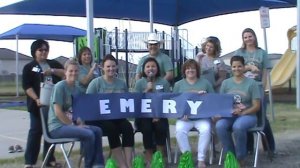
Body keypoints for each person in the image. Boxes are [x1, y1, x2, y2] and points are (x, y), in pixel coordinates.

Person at [48, 58, 104, 168]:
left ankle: (98, 164)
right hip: (57, 127)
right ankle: (88, 165)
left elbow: (77, 112)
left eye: (76, 71)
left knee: (97, 130)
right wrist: (73, 125)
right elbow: (58, 112)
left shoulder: (76, 89)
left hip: (71, 125)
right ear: (65, 72)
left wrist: (80, 123)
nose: (74, 73)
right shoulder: (60, 87)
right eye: (71, 71)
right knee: (88, 134)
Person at [22, 39, 65, 168]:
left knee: (51, 131)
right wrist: (36, 99)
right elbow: (27, 86)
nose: (43, 52)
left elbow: (65, 74)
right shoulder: (29, 67)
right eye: (40, 50)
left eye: (46, 50)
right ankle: (29, 161)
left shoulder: (53, 63)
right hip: (37, 105)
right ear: (34, 52)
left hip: (53, 106)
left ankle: (49, 159)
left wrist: (52, 71)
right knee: (35, 132)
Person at [86, 54, 134, 168]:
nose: (111, 69)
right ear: (103, 68)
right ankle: (122, 164)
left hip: (117, 117)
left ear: (116, 67)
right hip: (99, 118)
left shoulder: (121, 83)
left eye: (113, 66)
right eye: (108, 67)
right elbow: (87, 102)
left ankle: (128, 163)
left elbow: (126, 101)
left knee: (128, 127)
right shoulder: (96, 83)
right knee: (111, 128)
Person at [234, 28, 276, 153]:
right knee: (246, 113)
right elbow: (236, 67)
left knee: (262, 117)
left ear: (254, 37)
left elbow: (265, 71)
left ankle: (270, 147)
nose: (248, 39)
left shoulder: (261, 52)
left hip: (257, 87)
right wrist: (249, 66)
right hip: (244, 88)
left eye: (250, 36)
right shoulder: (240, 52)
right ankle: (249, 148)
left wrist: (263, 86)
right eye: (245, 37)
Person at [215, 56, 261, 167]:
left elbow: (257, 106)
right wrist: (224, 112)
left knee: (238, 126)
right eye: (234, 67)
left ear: (244, 67)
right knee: (220, 125)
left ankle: (241, 158)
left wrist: (242, 113)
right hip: (230, 115)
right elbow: (222, 103)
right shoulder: (226, 83)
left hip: (248, 115)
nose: (237, 69)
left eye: (239, 66)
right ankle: (231, 156)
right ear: (231, 68)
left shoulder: (251, 83)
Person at [173, 59, 214, 168]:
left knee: (206, 129)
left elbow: (213, 100)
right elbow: (173, 103)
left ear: (197, 70)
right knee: (179, 130)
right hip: (185, 118)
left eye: (193, 68)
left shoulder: (205, 83)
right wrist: (180, 114)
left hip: (202, 117)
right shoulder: (178, 85)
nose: (190, 70)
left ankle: (201, 159)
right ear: (184, 71)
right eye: (188, 68)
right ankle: (187, 157)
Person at [134, 57, 170, 165]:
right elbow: (136, 102)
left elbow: (168, 100)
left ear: (157, 68)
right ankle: (149, 156)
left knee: (160, 126)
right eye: (148, 66)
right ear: (144, 70)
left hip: (160, 114)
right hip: (144, 116)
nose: (151, 68)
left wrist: (158, 114)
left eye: (153, 66)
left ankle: (159, 157)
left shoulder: (164, 82)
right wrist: (146, 90)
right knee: (147, 128)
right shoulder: (140, 83)